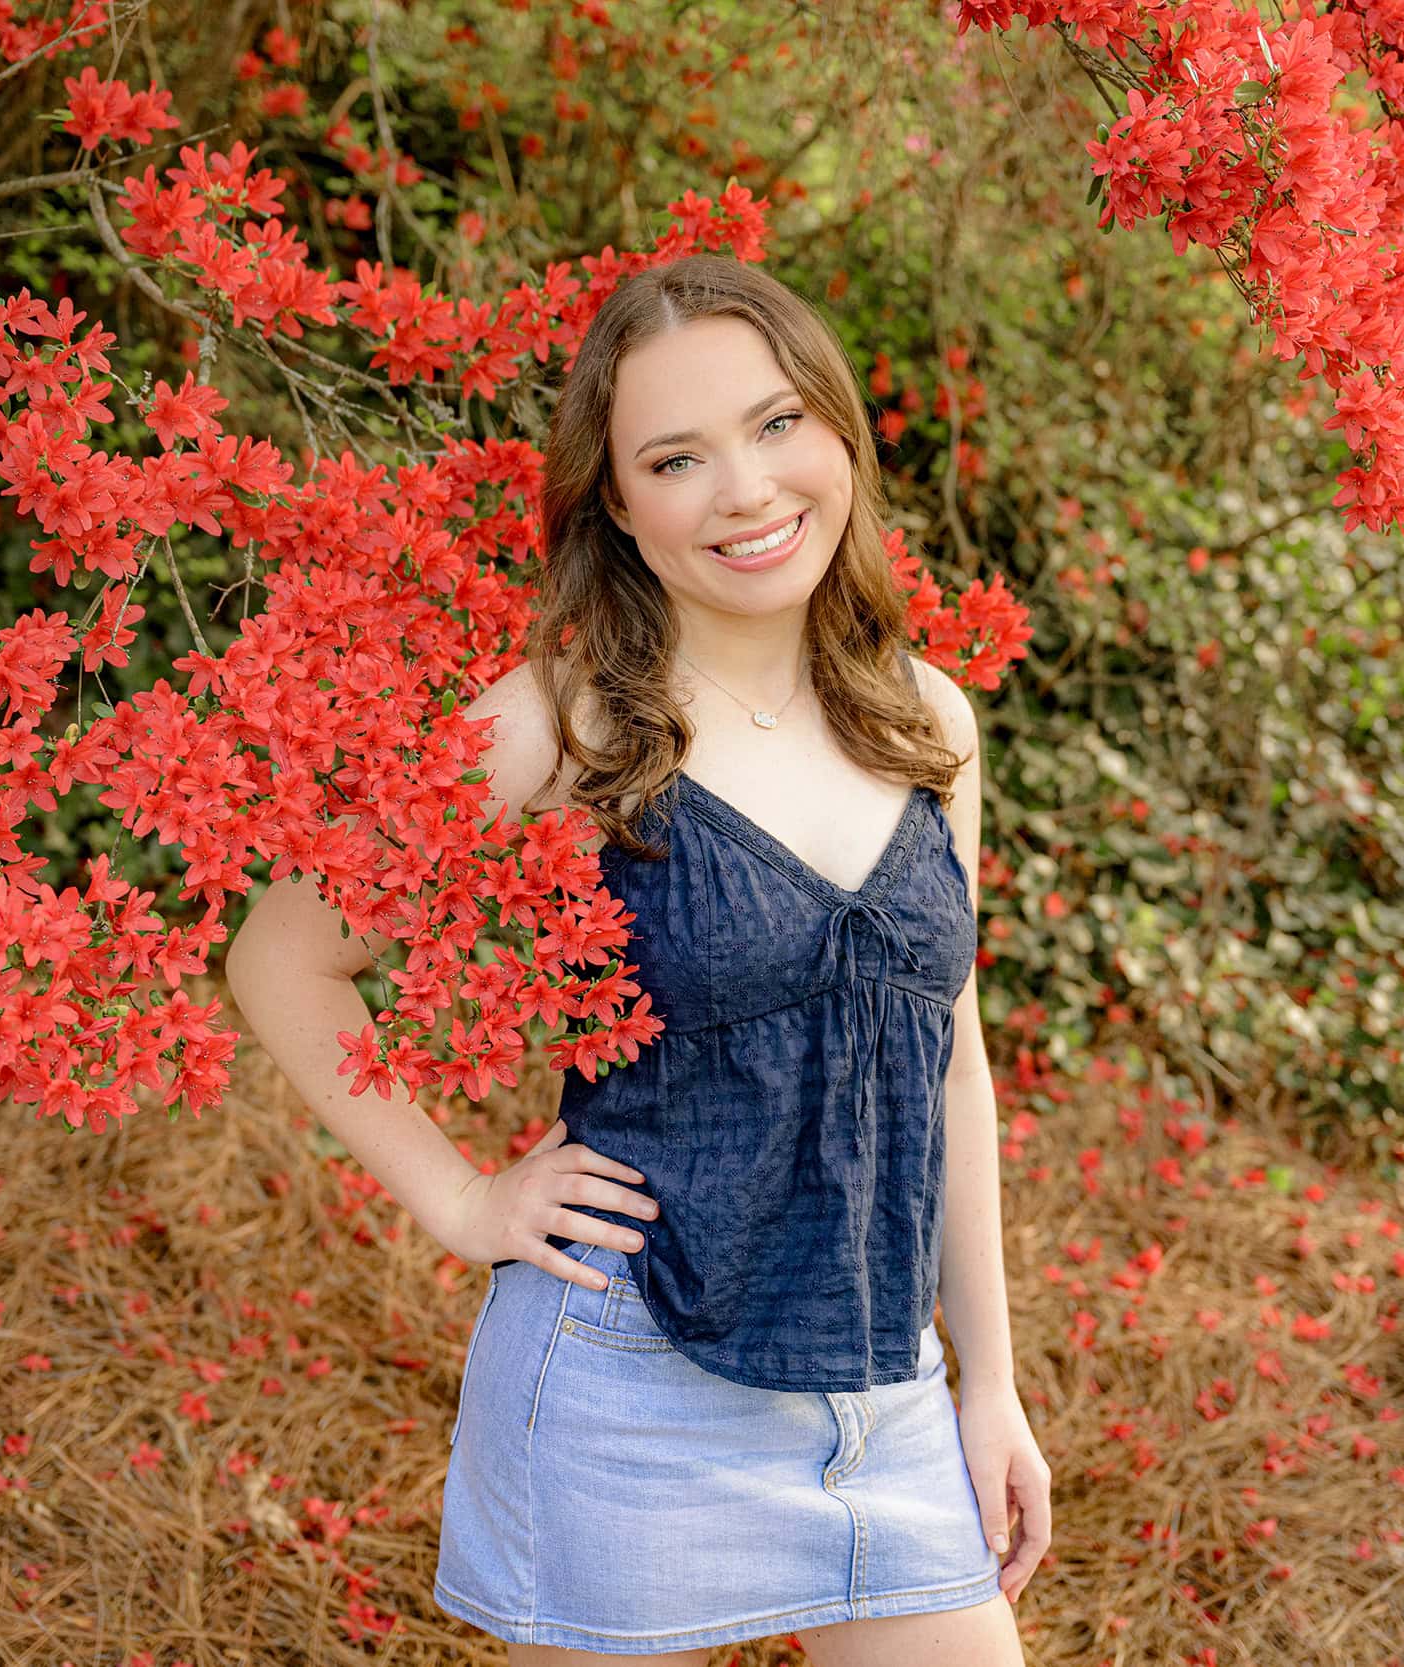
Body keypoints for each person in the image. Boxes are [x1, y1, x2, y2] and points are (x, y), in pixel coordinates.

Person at [225, 253, 1049, 1664]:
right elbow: (282, 958)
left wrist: (990, 1386)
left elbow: (950, 1071)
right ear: (617, 501)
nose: (745, 489)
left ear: (839, 433)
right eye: (678, 456)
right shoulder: (558, 728)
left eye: (777, 424)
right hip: (630, 1390)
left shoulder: (930, 724)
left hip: (881, 1398)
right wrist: (464, 1202)